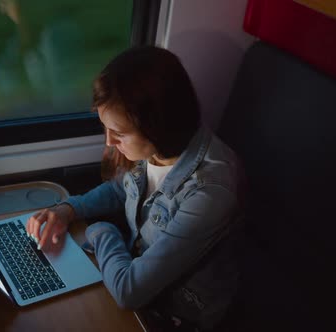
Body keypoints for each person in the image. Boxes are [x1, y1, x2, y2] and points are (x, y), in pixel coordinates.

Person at [26, 45, 244, 331]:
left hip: (176, 316)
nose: (108, 143)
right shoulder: (154, 150)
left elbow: (130, 291)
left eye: (118, 134)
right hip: (137, 280)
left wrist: (101, 230)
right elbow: (121, 191)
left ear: (158, 126)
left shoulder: (211, 191)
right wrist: (68, 209)